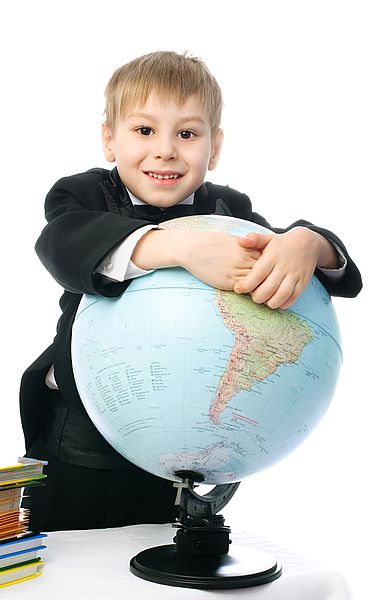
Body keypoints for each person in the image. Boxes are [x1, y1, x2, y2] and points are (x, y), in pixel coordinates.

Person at [20, 51, 362, 532]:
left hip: (175, 440)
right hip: (81, 440)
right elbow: (63, 243)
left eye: (187, 133)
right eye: (144, 131)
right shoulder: (80, 195)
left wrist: (309, 244)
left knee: (153, 556)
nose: (165, 150)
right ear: (108, 140)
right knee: (70, 563)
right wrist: (178, 246)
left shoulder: (229, 208)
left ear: (214, 147)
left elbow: (290, 259)